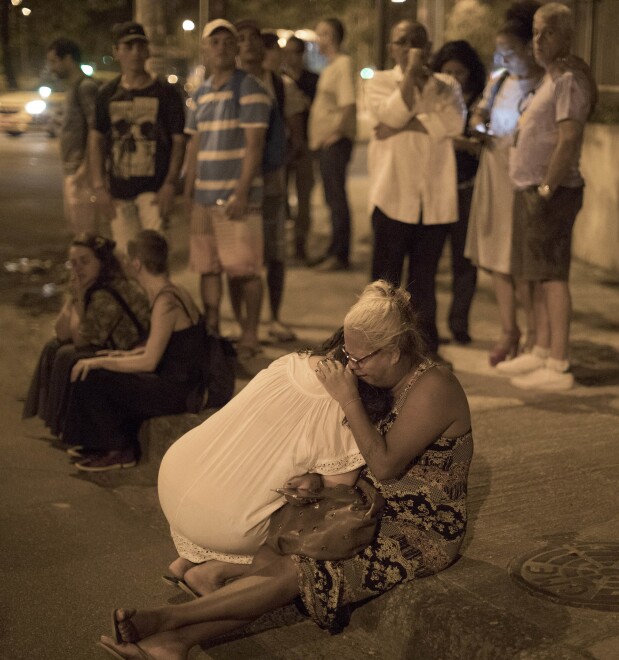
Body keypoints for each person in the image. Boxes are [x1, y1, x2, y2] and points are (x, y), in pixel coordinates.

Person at [98, 281, 473, 656]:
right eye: (347, 354)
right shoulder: (382, 377)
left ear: (393, 352)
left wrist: (347, 400)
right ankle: (172, 644)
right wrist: (313, 478)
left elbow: (385, 464)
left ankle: (168, 620)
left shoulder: (434, 387)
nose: (352, 368)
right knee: (275, 551)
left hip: (418, 528)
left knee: (301, 570)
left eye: (360, 359)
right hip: (369, 506)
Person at [157, 330, 393, 595]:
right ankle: (214, 572)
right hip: (220, 521)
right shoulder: (348, 412)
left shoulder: (290, 361)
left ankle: (188, 559)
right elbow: (336, 493)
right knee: (323, 524)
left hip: (175, 475)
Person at [497, 3, 596, 391]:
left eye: (548, 33)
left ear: (567, 38)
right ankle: (540, 351)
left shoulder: (569, 79)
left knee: (553, 276)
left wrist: (547, 188)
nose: (538, 41)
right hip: (531, 190)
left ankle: (558, 362)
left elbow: (569, 138)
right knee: (535, 275)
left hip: (552, 191)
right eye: (536, 33)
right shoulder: (550, 78)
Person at [63, 230, 205, 472]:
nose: (125, 264)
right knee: (97, 362)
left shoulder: (166, 301)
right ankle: (100, 444)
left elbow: (149, 362)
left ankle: (119, 450)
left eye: (128, 260)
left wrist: (100, 364)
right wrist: (117, 356)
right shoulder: (171, 292)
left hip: (178, 391)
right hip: (176, 383)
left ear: (137, 264)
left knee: (95, 375)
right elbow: (159, 350)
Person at [366, 20, 466, 359]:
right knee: (384, 284)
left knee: (424, 283)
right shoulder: (379, 82)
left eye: (417, 41)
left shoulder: (446, 84)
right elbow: (389, 115)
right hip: (392, 196)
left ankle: (424, 353)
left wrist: (407, 124)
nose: (410, 47)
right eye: (402, 41)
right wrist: (409, 78)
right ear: (392, 48)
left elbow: (454, 124)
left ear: (429, 47)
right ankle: (377, 349)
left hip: (435, 201)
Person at [185, 19, 270, 359]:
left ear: (235, 49)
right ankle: (212, 331)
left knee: (244, 270)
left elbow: (255, 145)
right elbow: (194, 147)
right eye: (214, 42)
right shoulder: (200, 94)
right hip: (204, 197)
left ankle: (250, 335)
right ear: (204, 50)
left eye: (227, 41)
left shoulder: (249, 87)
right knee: (208, 267)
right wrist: (189, 194)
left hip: (237, 198)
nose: (220, 47)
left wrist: (242, 192)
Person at [465, 1, 543, 365]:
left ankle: (533, 335)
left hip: (525, 179)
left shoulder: (545, 83)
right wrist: (479, 124)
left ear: (530, 47)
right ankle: (508, 329)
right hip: (494, 175)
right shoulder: (498, 82)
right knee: (497, 258)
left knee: (523, 261)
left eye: (509, 51)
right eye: (500, 52)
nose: (503, 58)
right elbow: (479, 117)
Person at [23, 233, 150, 438]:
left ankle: (76, 430)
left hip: (130, 352)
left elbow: (82, 340)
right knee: (53, 346)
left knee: (69, 355)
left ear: (102, 262)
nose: (78, 268)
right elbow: (62, 332)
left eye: (84, 261)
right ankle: (62, 424)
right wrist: (74, 297)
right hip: (107, 345)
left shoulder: (109, 292)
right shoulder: (91, 286)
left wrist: (79, 299)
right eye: (73, 263)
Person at [232, 20, 306, 344]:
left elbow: (297, 134)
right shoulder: (226, 83)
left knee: (275, 253)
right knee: (238, 255)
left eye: (253, 39)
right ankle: (240, 323)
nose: (248, 45)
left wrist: (280, 162)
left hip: (271, 181)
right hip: (235, 182)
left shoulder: (278, 85)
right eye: (241, 39)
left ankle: (273, 318)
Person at [88, 22, 186, 251]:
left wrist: (170, 184)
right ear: (116, 51)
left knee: (154, 256)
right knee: (126, 256)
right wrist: (99, 186)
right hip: (119, 192)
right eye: (128, 46)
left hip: (154, 191)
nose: (135, 52)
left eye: (140, 46)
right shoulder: (107, 94)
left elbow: (179, 142)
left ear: (148, 50)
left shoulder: (166, 93)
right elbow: (96, 140)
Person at [431, 40, 486, 345]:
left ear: (470, 73)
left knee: (464, 261)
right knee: (428, 261)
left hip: (466, 188)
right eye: (447, 71)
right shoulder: (434, 98)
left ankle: (459, 323)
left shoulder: (480, 101)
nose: (453, 77)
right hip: (437, 187)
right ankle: (428, 328)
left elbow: (483, 144)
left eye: (459, 72)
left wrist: (458, 141)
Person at [308, 17, 358, 272]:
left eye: (324, 33)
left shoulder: (343, 64)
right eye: (318, 34)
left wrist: (334, 134)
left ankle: (340, 255)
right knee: (330, 197)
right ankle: (333, 250)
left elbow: (348, 104)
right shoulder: (328, 67)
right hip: (325, 144)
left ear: (336, 36)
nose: (320, 39)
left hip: (335, 144)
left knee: (336, 197)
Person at [46, 38, 100, 235]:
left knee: (87, 235)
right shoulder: (73, 87)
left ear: (68, 59)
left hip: (81, 173)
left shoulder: (85, 87)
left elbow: (96, 129)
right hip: (72, 170)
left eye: (54, 62)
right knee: (77, 230)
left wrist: (85, 168)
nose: (52, 68)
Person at [283, 36, 319, 263]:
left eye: (296, 51)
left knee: (305, 198)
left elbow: (318, 110)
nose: (291, 56)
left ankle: (300, 244)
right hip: (282, 147)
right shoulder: (279, 79)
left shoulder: (314, 80)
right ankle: (280, 244)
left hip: (305, 144)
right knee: (279, 198)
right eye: (287, 51)